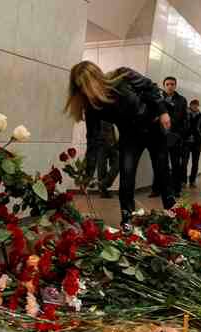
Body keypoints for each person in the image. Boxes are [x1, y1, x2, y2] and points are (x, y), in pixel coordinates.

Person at [65, 61, 173, 232]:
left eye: (87, 84)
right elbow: (93, 140)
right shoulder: (92, 106)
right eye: (80, 86)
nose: (85, 90)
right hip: (130, 136)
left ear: (96, 77)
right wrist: (86, 175)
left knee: (162, 171)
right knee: (126, 178)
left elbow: (150, 87)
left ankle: (172, 212)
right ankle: (127, 219)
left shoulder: (123, 75)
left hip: (153, 128)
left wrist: (163, 111)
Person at [161, 76, 188, 197]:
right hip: (161, 135)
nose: (170, 86)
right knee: (161, 164)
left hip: (175, 136)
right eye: (167, 84)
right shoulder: (158, 98)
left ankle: (176, 189)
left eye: (172, 84)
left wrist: (180, 134)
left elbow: (184, 119)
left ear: (175, 86)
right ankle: (158, 189)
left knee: (176, 164)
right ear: (164, 85)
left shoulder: (182, 100)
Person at [182, 99, 201, 188]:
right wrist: (186, 136)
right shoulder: (185, 114)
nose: (195, 107)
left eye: (196, 105)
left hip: (197, 142)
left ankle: (192, 181)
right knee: (184, 162)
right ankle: (183, 181)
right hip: (186, 141)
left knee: (195, 162)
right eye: (193, 105)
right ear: (190, 105)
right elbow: (182, 126)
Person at [97, 121, 120, 198]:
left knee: (103, 163)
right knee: (102, 164)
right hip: (103, 137)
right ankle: (103, 188)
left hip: (108, 138)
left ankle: (103, 185)